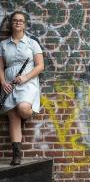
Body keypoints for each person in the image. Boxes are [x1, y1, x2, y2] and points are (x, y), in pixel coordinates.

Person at [0, 11, 44, 166]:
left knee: (23, 108)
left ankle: (26, 113)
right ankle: (16, 155)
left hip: (28, 82)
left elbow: (40, 66)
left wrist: (25, 77)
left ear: (24, 24)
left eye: (21, 21)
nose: (18, 23)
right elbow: (0, 67)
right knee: (13, 118)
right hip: (9, 84)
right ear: (11, 24)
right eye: (15, 20)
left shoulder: (32, 43)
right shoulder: (3, 45)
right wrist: (3, 83)